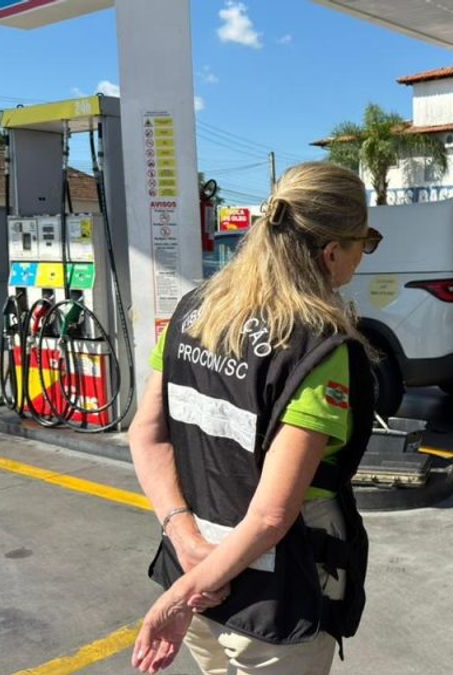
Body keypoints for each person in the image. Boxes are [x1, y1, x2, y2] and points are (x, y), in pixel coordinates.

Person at [128, 162, 383, 674]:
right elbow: (271, 516)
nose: (363, 257)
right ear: (332, 252)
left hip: (198, 570)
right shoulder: (317, 347)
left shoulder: (194, 310)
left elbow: (146, 433)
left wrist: (188, 548)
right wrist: (182, 595)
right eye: (366, 242)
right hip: (274, 596)